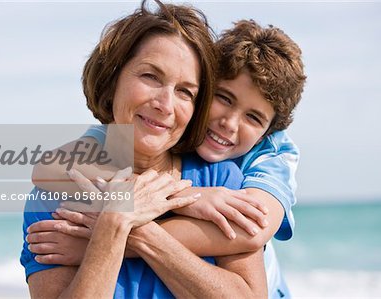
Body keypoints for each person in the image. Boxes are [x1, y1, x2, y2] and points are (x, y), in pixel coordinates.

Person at [25, 17, 306, 299]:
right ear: (113, 79)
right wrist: (116, 219)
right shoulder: (57, 190)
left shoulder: (226, 180)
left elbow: (254, 234)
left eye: (185, 91)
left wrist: (130, 232)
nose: (165, 104)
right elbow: (49, 167)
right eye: (150, 77)